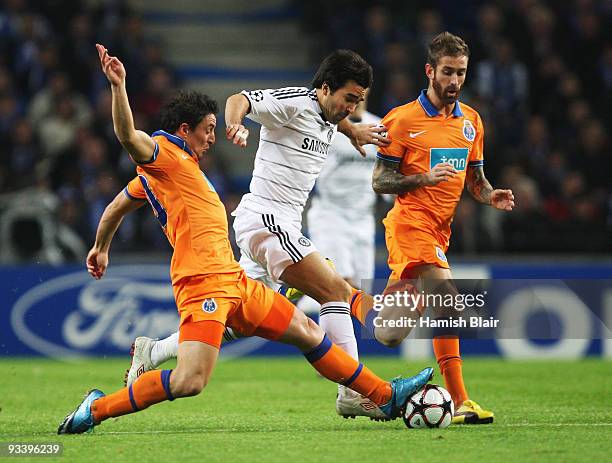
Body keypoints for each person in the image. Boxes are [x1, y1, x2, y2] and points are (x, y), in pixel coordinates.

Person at [57, 45, 432, 434]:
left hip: (233, 279)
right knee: (197, 377)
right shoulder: (163, 154)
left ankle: (381, 395)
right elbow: (130, 134)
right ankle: (97, 408)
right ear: (185, 130)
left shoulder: (179, 170)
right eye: (208, 129)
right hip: (220, 266)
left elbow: (118, 204)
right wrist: (119, 87)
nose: (213, 137)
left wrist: (100, 246)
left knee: (308, 331)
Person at [125, 49, 394, 419]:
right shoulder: (295, 102)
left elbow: (331, 121)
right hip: (266, 220)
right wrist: (235, 123)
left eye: (359, 101)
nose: (352, 108)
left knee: (237, 321)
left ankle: (153, 352)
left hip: (280, 226)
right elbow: (240, 100)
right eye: (349, 99)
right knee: (335, 289)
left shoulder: (329, 116)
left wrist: (353, 130)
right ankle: (353, 390)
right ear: (326, 88)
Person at [350, 32, 515, 424]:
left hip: (440, 231)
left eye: (461, 73)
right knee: (448, 298)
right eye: (447, 72)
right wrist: (422, 179)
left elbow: (476, 181)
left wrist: (490, 196)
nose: (454, 81)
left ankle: (338, 296)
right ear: (430, 71)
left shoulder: (471, 123)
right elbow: (380, 181)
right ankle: (461, 402)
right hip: (409, 224)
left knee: (388, 333)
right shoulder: (402, 120)